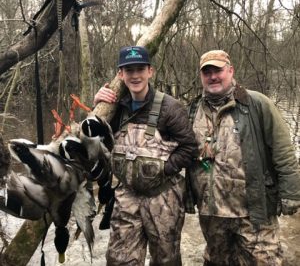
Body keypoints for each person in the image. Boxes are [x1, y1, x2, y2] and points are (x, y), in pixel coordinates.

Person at [186, 49, 300, 265]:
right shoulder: (193, 110)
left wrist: (291, 193)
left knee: (265, 261)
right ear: (201, 76)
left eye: (218, 70)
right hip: (212, 213)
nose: (213, 76)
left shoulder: (256, 103)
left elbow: (283, 150)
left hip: (253, 211)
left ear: (230, 70)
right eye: (207, 72)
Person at [93, 45, 198, 266]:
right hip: (127, 195)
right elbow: (93, 142)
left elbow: (189, 148)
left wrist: (164, 169)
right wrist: (96, 107)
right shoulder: (114, 108)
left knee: (166, 259)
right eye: (129, 70)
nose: (135, 75)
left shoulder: (171, 107)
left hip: (163, 197)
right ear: (121, 75)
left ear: (150, 71)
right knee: (119, 260)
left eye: (140, 69)